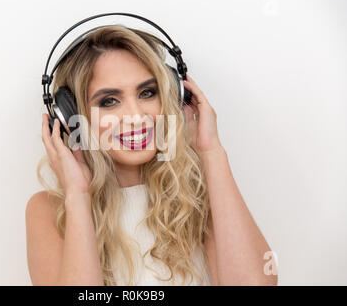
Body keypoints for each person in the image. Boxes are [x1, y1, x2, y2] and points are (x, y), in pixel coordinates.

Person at [25, 25, 278, 286]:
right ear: (71, 116)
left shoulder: (198, 193)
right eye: (109, 101)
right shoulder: (50, 209)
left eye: (147, 93)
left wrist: (210, 151)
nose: (136, 117)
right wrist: (78, 196)